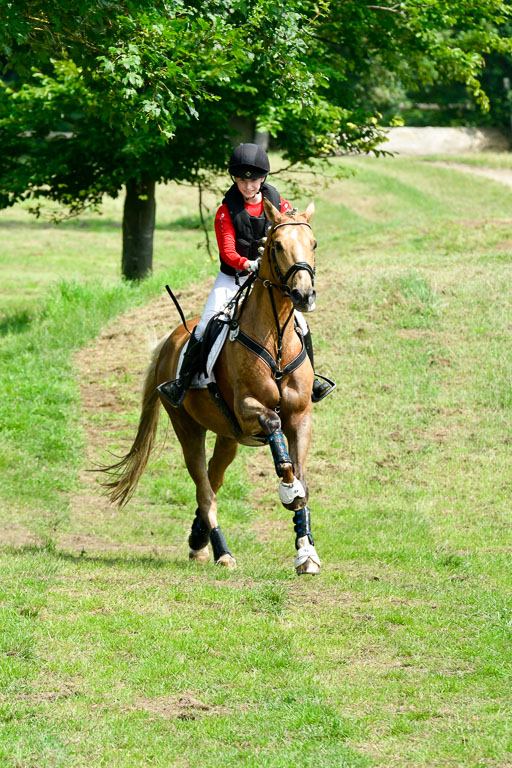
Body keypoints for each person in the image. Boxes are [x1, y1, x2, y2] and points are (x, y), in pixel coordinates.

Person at [159, 143, 335, 407]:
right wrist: (248, 264)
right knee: (205, 325)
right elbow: (228, 251)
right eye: (242, 180)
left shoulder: (279, 204)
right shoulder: (225, 211)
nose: (248, 186)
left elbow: (291, 228)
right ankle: (185, 381)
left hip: (270, 280)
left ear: (263, 179)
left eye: (253, 181)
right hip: (233, 277)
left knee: (302, 324)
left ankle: (313, 380)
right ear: (236, 180)